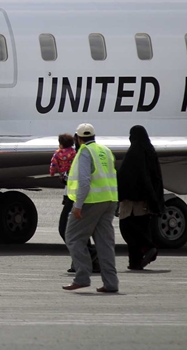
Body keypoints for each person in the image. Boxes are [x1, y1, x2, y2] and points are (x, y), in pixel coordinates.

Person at [63, 123, 119, 293]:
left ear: (78, 138)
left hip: (91, 201)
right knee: (105, 243)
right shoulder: (106, 150)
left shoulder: (85, 152)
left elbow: (85, 181)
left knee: (72, 237)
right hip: (110, 199)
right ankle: (111, 283)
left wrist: (78, 205)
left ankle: (82, 277)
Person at [117, 125, 163, 270]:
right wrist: (154, 198)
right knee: (142, 227)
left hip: (132, 200)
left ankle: (148, 247)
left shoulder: (134, 153)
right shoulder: (150, 151)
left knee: (127, 227)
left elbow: (126, 176)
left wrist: (119, 195)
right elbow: (155, 177)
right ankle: (135, 262)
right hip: (146, 200)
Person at [53, 132, 99, 273]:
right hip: (76, 197)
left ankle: (90, 256)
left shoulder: (80, 156)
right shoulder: (83, 154)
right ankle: (84, 260)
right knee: (78, 231)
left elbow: (81, 179)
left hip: (76, 198)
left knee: (66, 229)